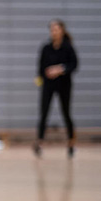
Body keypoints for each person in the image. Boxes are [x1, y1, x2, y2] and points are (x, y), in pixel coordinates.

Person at [35, 19, 79, 158]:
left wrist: (60, 69)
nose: (54, 32)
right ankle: (39, 142)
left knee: (66, 113)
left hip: (64, 84)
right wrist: (44, 75)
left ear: (62, 30)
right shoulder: (46, 48)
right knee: (44, 113)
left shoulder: (68, 47)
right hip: (48, 84)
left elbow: (74, 64)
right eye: (52, 29)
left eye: (56, 29)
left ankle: (71, 143)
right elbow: (40, 67)